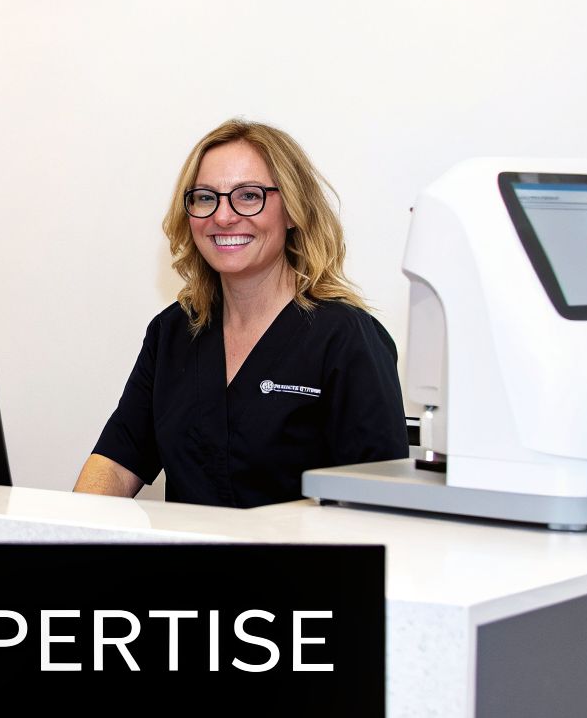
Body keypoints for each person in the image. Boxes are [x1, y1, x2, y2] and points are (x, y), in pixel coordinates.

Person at [74, 119, 407, 508]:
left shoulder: (346, 338)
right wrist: (74, 529)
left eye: (249, 196)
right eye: (205, 198)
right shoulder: (173, 332)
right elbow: (116, 463)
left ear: (293, 211)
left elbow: (377, 504)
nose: (223, 216)